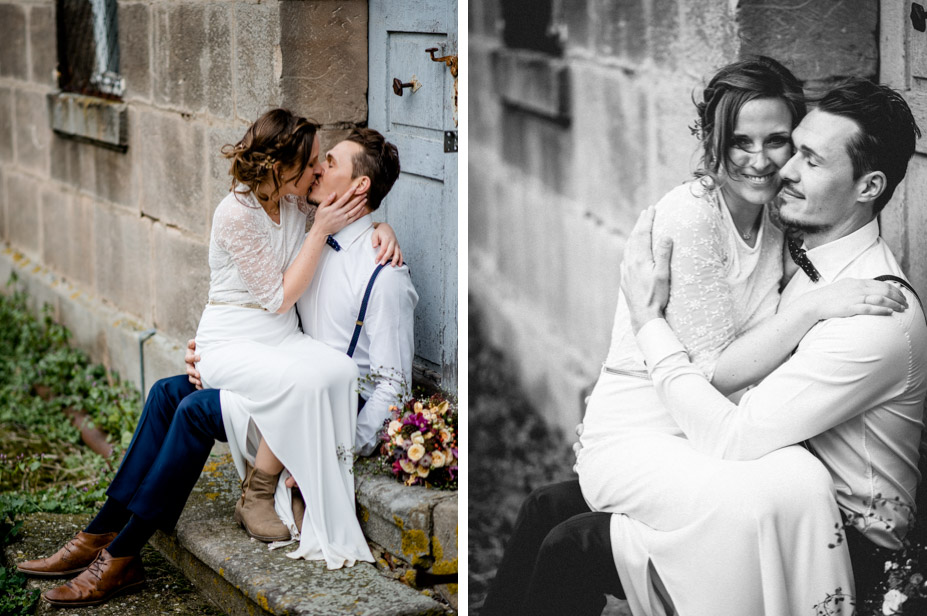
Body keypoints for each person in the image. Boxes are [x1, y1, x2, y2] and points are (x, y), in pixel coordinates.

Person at [480, 66, 921, 615]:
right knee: (549, 506)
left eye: (806, 157)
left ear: (870, 187)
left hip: (837, 531)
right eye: (796, 150)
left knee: (575, 544)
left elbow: (735, 433)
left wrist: (648, 323)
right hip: (765, 476)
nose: (777, 169)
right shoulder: (801, 252)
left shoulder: (874, 315)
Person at [16, 112, 416, 607]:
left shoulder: (384, 274)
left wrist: (335, 439)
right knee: (168, 392)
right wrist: (378, 222)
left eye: (326, 162)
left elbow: (393, 387)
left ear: (356, 185)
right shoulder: (312, 217)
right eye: (314, 162)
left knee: (194, 410)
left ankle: (122, 556)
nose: (316, 170)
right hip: (277, 366)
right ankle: (99, 533)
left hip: (313, 398)